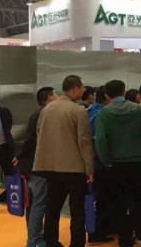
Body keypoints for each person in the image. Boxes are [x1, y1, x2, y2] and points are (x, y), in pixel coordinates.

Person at [95, 80, 141, 247]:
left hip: (115, 165)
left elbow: (101, 140)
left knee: (119, 204)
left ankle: (125, 240)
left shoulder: (103, 114)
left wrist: (106, 160)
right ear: (124, 92)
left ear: (106, 96)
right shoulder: (138, 110)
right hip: (138, 163)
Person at [34, 75, 94, 247]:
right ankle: (76, 243)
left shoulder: (47, 109)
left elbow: (39, 132)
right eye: (81, 88)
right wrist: (89, 168)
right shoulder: (78, 110)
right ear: (75, 89)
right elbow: (84, 141)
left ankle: (51, 242)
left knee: (52, 208)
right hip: (73, 167)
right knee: (77, 209)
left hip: (50, 166)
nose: (82, 92)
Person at [18, 87, 58, 247]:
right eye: (55, 94)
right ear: (49, 98)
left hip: (31, 165)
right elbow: (30, 140)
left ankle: (33, 237)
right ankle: (34, 240)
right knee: (39, 203)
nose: (58, 97)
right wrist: (20, 156)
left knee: (33, 202)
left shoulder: (38, 113)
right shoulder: (44, 113)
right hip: (37, 165)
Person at [87, 85, 115, 243]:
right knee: (103, 197)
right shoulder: (101, 114)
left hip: (91, 159)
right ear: (106, 97)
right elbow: (100, 139)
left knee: (97, 197)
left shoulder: (90, 111)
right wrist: (107, 159)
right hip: (100, 161)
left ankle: (100, 229)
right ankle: (98, 232)